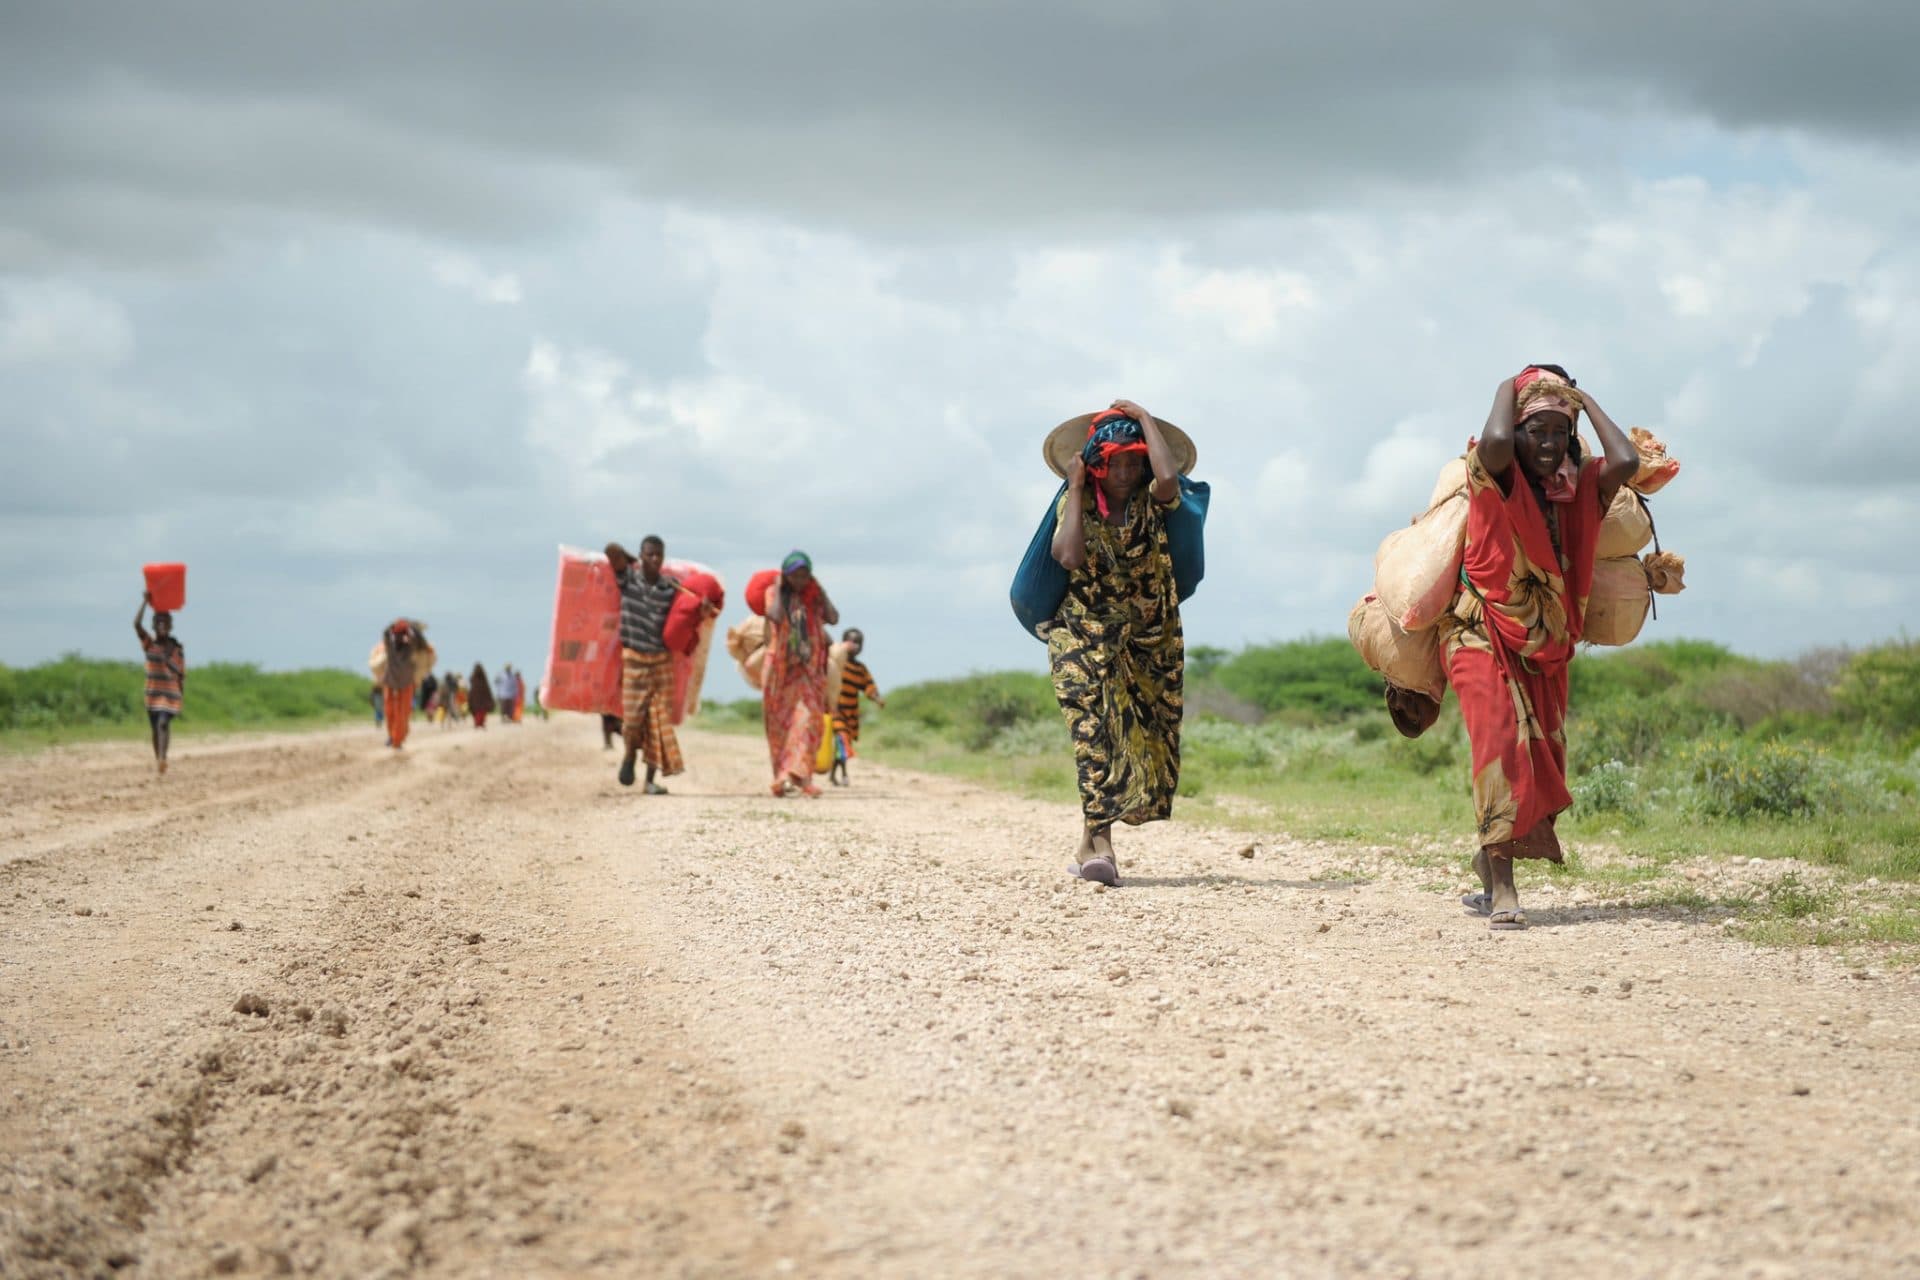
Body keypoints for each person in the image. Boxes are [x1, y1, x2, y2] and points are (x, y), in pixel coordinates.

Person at [1440, 366, 1638, 930]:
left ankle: (1488, 858)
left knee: (1540, 759)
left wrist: (1580, 400)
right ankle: (1503, 889)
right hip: (1478, 630)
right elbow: (1498, 439)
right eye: (1537, 431)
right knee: (1501, 746)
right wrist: (1513, 382)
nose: (1548, 444)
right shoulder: (1492, 475)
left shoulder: (1580, 490)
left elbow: (1625, 462)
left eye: (1559, 432)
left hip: (1546, 645)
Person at [1045, 399, 1193, 887]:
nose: (1127, 470)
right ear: (1096, 462)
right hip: (1081, 634)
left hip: (1146, 637)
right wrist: (1076, 486)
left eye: (1135, 460)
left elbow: (1170, 481)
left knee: (1139, 733)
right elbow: (1068, 556)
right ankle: (1103, 845)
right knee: (1094, 731)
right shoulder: (1077, 502)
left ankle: (1089, 842)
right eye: (1116, 460)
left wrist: (1148, 418)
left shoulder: (1153, 499)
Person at [607, 536, 717, 793]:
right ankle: (629, 756)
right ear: (642, 555)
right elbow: (611, 549)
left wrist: (701, 606)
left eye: (659, 555)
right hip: (634, 661)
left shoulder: (672, 588)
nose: (655, 559)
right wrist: (631, 561)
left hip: (661, 662)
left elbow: (688, 614)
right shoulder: (628, 579)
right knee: (632, 722)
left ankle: (649, 781)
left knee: (658, 722)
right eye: (650, 554)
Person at [762, 551, 839, 797]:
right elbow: (774, 616)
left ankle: (803, 778)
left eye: (805, 575)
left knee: (807, 722)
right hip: (781, 672)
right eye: (795, 575)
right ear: (786, 576)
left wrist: (821, 591)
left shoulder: (813, 598)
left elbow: (833, 618)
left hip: (809, 670)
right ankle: (783, 776)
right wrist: (777, 586)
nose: (800, 580)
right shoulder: (775, 595)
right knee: (780, 727)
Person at [134, 592, 185, 774]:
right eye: (158, 622)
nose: (162, 625)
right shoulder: (150, 644)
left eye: (165, 622)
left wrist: (182, 698)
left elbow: (181, 674)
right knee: (155, 728)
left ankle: (163, 758)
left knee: (163, 723)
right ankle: (159, 760)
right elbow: (136, 624)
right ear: (154, 625)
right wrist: (145, 602)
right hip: (153, 693)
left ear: (170, 626)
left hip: (170, 694)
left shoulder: (176, 648)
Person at [829, 628, 885, 787]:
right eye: (851, 641)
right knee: (842, 741)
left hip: (850, 712)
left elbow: (868, 686)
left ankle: (834, 775)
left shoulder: (860, 669)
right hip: (835, 709)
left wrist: (877, 698)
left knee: (843, 745)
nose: (855, 646)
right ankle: (844, 774)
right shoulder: (836, 663)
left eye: (858, 643)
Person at [380, 619, 423, 748]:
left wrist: (411, 628)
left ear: (405, 636)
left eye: (401, 635)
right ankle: (392, 736)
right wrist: (393, 625)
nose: (398, 638)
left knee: (403, 713)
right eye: (396, 635)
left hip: (405, 686)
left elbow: (417, 640)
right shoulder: (390, 648)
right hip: (390, 684)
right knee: (390, 713)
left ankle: (397, 739)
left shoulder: (409, 648)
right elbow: (386, 634)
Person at [469, 662, 496, 728]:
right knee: (481, 711)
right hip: (482, 698)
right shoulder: (482, 678)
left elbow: (472, 689)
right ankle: (480, 723)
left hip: (476, 698)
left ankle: (478, 723)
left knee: (478, 711)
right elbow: (487, 688)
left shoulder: (473, 678)